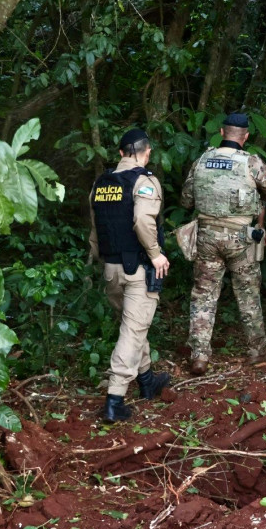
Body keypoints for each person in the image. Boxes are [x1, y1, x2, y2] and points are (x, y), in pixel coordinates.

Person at [181, 113, 266, 375]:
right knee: (248, 294)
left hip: (206, 237)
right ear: (245, 136)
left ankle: (200, 356)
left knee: (203, 295)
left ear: (222, 132)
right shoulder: (251, 162)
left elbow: (186, 201)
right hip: (240, 238)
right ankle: (257, 350)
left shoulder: (202, 160)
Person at [89, 128, 172, 422]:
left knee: (134, 326)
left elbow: (95, 228)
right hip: (136, 268)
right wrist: (155, 254)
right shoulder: (144, 181)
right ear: (145, 152)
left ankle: (147, 380)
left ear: (121, 152)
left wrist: (100, 260)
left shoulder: (101, 183)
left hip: (111, 269)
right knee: (132, 331)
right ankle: (115, 400)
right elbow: (141, 220)